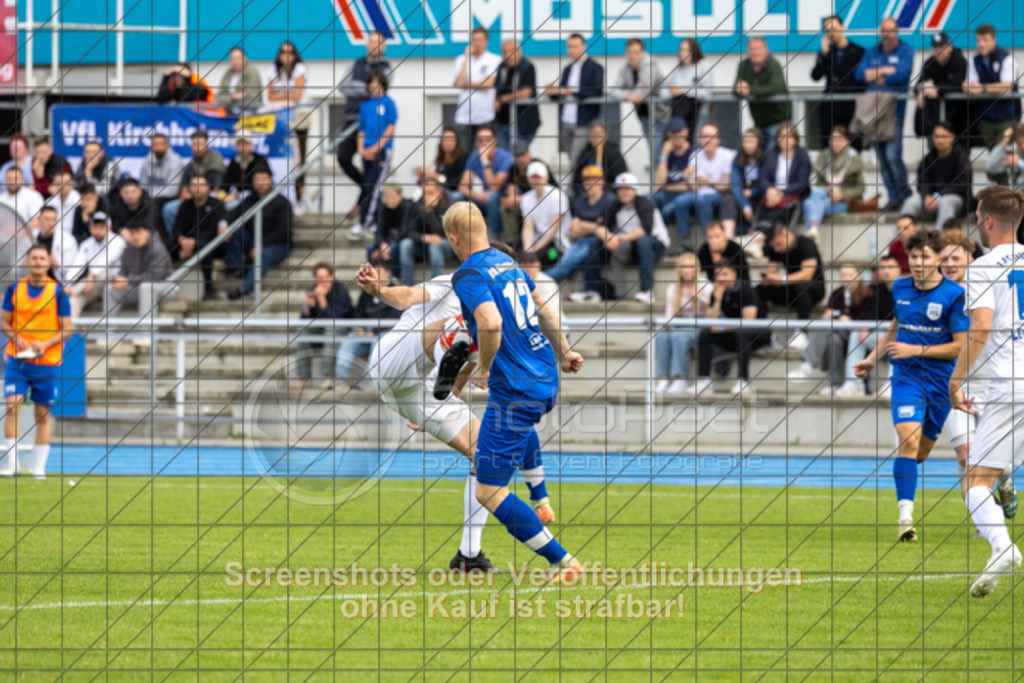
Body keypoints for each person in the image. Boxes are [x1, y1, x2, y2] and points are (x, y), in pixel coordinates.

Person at [442, 201, 585, 583]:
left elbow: (490, 324)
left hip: (516, 389)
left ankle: (563, 562)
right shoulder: (508, 263)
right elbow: (542, 307)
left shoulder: (467, 273)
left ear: (454, 238)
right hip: (544, 375)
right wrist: (564, 351)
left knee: (488, 490)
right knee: (510, 441)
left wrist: (485, 367)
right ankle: (540, 498)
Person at [354, 264, 509, 571]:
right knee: (469, 327)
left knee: (489, 455)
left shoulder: (495, 310)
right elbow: (409, 296)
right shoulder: (456, 282)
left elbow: (464, 369)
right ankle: (441, 362)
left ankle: (468, 556)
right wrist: (379, 290)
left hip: (422, 389)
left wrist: (444, 398)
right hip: (393, 359)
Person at [855, 230, 968, 543]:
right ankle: (905, 518)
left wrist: (914, 349)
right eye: (914, 257)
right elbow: (897, 325)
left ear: (937, 259)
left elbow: (960, 346)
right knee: (907, 440)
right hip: (906, 377)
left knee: (919, 452)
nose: (918, 263)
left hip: (940, 382)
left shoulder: (954, 294)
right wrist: (872, 358)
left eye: (925, 257)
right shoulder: (900, 287)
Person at [949, 186, 1024, 597]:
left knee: (975, 482)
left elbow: (980, 326)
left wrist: (956, 378)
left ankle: (1002, 548)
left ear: (988, 221)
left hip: (1011, 383)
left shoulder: (982, 267)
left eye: (978, 216)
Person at [0, 244, 72, 478]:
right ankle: (13, 464)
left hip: (46, 361)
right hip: (18, 360)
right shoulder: (15, 289)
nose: (38, 262)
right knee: (12, 407)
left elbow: (67, 329)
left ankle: (39, 468)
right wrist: (15, 337)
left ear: (48, 263)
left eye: (42, 258)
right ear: (27, 262)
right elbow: (4, 322)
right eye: (34, 258)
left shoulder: (58, 293)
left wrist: (46, 343)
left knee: (42, 413)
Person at [856, 17, 914, 211]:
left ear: (897, 31)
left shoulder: (906, 51)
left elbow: (901, 75)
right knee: (882, 159)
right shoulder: (872, 51)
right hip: (873, 114)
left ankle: (905, 196)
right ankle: (893, 197)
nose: (886, 35)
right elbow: (859, 75)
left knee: (892, 156)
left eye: (890, 31)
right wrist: (884, 70)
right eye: (883, 31)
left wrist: (875, 75)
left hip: (894, 113)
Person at [789, 263, 876, 393]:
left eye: (850, 275)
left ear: (859, 276)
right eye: (843, 275)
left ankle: (807, 365)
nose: (847, 278)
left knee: (829, 326)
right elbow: (829, 313)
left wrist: (845, 318)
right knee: (833, 339)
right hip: (839, 333)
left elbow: (866, 318)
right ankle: (835, 384)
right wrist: (840, 315)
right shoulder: (837, 293)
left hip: (858, 336)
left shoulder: (868, 294)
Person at [336, 31, 392, 210]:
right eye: (371, 42)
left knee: (370, 165)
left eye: (378, 43)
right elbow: (342, 87)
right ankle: (365, 191)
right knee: (342, 157)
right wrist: (367, 88)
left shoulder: (386, 67)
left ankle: (366, 205)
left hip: (371, 123)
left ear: (383, 47)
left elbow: (380, 90)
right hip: (351, 119)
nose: (374, 45)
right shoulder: (356, 63)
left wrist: (358, 87)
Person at [694, 264, 769, 397]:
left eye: (724, 274)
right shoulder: (717, 292)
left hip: (757, 333)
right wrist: (718, 300)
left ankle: (742, 381)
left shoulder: (745, 289)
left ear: (734, 274)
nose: (721, 278)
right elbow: (710, 321)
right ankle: (704, 380)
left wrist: (722, 327)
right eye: (718, 275)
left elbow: (749, 321)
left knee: (741, 334)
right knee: (705, 334)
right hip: (733, 333)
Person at [545, 165, 616, 302]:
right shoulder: (580, 202)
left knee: (570, 261)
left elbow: (608, 231)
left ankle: (538, 280)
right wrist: (595, 228)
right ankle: (540, 280)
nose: (591, 184)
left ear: (602, 182)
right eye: (587, 181)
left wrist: (584, 225)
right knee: (561, 259)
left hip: (603, 245)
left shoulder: (610, 200)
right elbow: (574, 231)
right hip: (580, 242)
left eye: (595, 180)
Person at [224, 168, 292, 299]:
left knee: (265, 255)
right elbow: (232, 214)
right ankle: (239, 267)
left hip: (278, 245)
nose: (260, 183)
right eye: (257, 180)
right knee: (232, 231)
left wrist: (262, 245)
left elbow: (283, 231)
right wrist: (223, 223)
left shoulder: (282, 202)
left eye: (264, 180)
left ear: (271, 181)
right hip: (254, 241)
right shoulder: (250, 200)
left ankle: (244, 288)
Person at [756, 224, 825, 348]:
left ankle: (801, 332)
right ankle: (765, 335)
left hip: (814, 289)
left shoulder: (806, 244)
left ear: (787, 235)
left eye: (779, 244)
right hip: (792, 289)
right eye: (774, 246)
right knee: (759, 290)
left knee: (802, 286)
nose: (776, 249)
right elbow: (771, 271)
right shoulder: (775, 249)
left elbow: (807, 275)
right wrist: (769, 280)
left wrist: (782, 279)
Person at [747, 122, 811, 254]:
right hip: (771, 195)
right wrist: (769, 190)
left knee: (777, 215)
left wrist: (780, 193)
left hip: (792, 196)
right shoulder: (771, 154)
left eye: (789, 136)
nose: (785, 140)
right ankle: (758, 241)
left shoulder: (802, 156)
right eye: (782, 136)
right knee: (763, 209)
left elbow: (802, 182)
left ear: (795, 140)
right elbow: (763, 178)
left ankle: (757, 239)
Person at [667, 122, 738, 239]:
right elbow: (694, 186)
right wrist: (687, 177)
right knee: (679, 201)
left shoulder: (727, 156)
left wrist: (708, 182)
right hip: (698, 193)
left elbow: (726, 187)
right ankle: (684, 240)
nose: (707, 140)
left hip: (718, 194)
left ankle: (708, 239)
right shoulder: (695, 155)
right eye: (704, 136)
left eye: (711, 137)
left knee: (701, 200)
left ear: (718, 140)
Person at [335, 259, 400, 386]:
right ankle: (340, 377)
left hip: (386, 331)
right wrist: (360, 328)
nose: (375, 276)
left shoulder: (395, 290)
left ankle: (369, 378)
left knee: (379, 341)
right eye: (373, 273)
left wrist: (374, 331)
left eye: (379, 273)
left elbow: (395, 317)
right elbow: (359, 312)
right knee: (349, 339)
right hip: (367, 331)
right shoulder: (367, 291)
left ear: (388, 273)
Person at [349, 69, 397, 241]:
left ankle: (364, 223)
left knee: (374, 189)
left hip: (382, 152)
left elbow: (390, 128)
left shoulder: (388, 103)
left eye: (375, 82)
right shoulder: (365, 106)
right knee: (367, 186)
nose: (372, 86)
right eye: (370, 83)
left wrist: (376, 148)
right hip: (366, 153)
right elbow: (361, 130)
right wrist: (362, 149)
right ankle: (375, 222)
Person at [609, 172, 671, 303]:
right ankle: (616, 294)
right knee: (604, 245)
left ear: (635, 190)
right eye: (620, 189)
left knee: (643, 241)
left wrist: (618, 238)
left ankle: (647, 290)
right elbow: (605, 226)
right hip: (632, 246)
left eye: (627, 188)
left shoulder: (644, 203)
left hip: (656, 244)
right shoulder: (615, 206)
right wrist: (608, 238)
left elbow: (645, 230)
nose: (624, 192)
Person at [844, 254, 900, 396]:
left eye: (890, 267)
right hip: (881, 335)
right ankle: (855, 382)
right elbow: (872, 315)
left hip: (900, 335)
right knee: (856, 334)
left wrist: (887, 337)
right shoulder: (877, 291)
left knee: (899, 337)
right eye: (883, 268)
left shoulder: (908, 290)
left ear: (899, 270)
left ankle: (892, 384)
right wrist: (865, 328)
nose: (886, 271)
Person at [655, 252, 711, 395]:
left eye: (690, 267)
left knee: (678, 336)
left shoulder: (705, 284)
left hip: (700, 323)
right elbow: (669, 314)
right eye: (683, 267)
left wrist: (697, 296)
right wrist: (668, 325)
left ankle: (681, 378)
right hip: (680, 322)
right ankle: (664, 378)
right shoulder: (673, 288)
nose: (686, 271)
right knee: (661, 336)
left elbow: (710, 307)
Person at [613, 37, 669, 173]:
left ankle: (658, 184)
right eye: (629, 52)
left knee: (658, 154)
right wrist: (628, 96)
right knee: (654, 152)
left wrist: (630, 94)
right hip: (644, 115)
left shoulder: (650, 64)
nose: (632, 56)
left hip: (662, 116)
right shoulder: (625, 67)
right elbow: (614, 91)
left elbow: (642, 92)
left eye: (636, 52)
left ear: (642, 52)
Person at [293, 263, 353, 391]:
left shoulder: (341, 291)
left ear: (332, 277)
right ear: (315, 279)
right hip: (321, 331)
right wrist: (306, 307)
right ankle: (304, 378)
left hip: (342, 330)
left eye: (326, 278)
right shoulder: (311, 291)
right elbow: (305, 322)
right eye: (320, 278)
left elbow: (335, 321)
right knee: (302, 331)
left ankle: (329, 376)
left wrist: (321, 300)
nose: (323, 282)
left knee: (331, 329)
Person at [900, 121, 972, 229]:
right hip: (930, 199)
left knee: (946, 202)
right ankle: (900, 238)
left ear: (952, 137)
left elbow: (962, 184)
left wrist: (938, 196)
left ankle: (939, 238)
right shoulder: (928, 159)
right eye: (936, 136)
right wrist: (926, 195)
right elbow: (922, 182)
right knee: (910, 202)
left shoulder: (961, 158)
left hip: (956, 200)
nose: (939, 140)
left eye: (943, 136)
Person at [546, 33, 604, 164]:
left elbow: (596, 92)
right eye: (569, 47)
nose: (572, 50)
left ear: (584, 46)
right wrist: (553, 92)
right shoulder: (568, 69)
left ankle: (574, 179)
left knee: (575, 159)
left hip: (584, 122)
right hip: (566, 120)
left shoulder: (595, 67)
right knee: (571, 159)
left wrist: (574, 92)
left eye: (575, 46)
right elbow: (563, 93)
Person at [810, 15, 866, 147]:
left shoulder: (859, 52)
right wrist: (824, 54)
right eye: (828, 31)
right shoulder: (826, 53)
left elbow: (864, 82)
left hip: (852, 108)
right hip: (830, 109)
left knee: (853, 146)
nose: (832, 33)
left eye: (834, 29)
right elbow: (815, 76)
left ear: (842, 27)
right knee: (828, 147)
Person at [265, 41, 311, 200]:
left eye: (290, 52)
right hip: (279, 118)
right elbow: (269, 96)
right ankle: (283, 191)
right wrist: (288, 95)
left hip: (298, 117)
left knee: (299, 155)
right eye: (283, 52)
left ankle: (300, 191)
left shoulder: (300, 69)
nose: (286, 56)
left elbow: (297, 96)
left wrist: (280, 95)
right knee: (281, 155)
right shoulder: (273, 69)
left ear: (295, 54)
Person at [964, 24, 1021, 150]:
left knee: (1005, 156)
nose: (981, 44)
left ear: (994, 40)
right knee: (993, 157)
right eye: (978, 40)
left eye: (985, 40)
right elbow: (970, 84)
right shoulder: (975, 61)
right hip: (986, 120)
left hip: (1007, 119)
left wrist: (983, 88)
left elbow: (1007, 87)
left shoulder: (1007, 59)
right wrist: (968, 86)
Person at [105, 220, 176, 322]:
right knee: (110, 289)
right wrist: (117, 280)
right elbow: (123, 274)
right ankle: (109, 330)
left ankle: (146, 331)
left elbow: (155, 275)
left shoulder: (157, 248)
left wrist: (128, 281)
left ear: (147, 232)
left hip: (166, 287)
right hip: (139, 286)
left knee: (145, 286)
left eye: (138, 232)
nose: (136, 236)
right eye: (132, 233)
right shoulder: (128, 250)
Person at [804, 125, 865, 239]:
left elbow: (861, 188)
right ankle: (813, 232)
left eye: (840, 140)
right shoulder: (823, 157)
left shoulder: (855, 159)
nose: (836, 143)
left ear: (847, 141)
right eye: (833, 140)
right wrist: (830, 191)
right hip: (825, 197)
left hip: (844, 202)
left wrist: (841, 195)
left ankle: (811, 235)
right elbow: (819, 184)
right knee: (815, 194)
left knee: (808, 204)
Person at [162, 130, 225, 232]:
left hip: (213, 198)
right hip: (193, 199)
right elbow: (184, 189)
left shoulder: (215, 161)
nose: (198, 148)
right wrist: (186, 194)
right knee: (169, 209)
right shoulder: (191, 165)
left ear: (207, 145)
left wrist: (198, 193)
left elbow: (217, 189)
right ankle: (178, 238)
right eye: (195, 145)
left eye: (201, 144)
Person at [66, 211, 127, 318]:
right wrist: (68, 283)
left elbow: (106, 261)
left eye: (101, 228)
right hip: (93, 286)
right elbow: (78, 264)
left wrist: (91, 277)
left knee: (104, 274)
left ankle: (65, 293)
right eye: (95, 227)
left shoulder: (117, 241)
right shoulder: (87, 244)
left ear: (109, 228)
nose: (97, 231)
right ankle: (69, 327)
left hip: (112, 283)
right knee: (74, 300)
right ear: (90, 228)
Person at [173, 174, 224, 300]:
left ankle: (209, 288)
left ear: (208, 188)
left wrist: (194, 242)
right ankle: (167, 286)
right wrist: (182, 240)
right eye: (194, 185)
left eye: (200, 185)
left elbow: (212, 230)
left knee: (204, 247)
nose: (197, 189)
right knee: (166, 245)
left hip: (210, 244)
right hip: (187, 243)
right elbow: (177, 228)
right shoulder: (185, 205)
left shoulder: (216, 204)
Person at [734, 37, 791, 150]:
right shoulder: (743, 65)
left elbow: (776, 88)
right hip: (758, 122)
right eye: (751, 49)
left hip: (778, 121)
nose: (755, 52)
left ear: (766, 50)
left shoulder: (774, 65)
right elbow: (735, 89)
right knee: (755, 153)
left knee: (771, 154)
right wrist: (739, 90)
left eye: (758, 49)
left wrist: (749, 90)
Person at [457, 125, 512, 240]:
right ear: (476, 143)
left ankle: (496, 237)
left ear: (495, 141)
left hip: (503, 196)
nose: (484, 144)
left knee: (492, 197)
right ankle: (460, 236)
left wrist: (485, 161)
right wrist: (478, 195)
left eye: (488, 140)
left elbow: (495, 188)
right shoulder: (474, 157)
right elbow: (462, 187)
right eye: (480, 140)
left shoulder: (505, 158)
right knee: (456, 197)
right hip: (484, 197)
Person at [452, 26, 502, 150]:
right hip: (463, 117)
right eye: (474, 40)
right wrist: (467, 58)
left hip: (485, 117)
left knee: (482, 153)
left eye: (480, 40)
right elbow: (459, 82)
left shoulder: (494, 59)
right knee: (463, 155)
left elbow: (487, 84)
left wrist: (466, 84)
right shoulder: (461, 59)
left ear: (486, 42)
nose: (477, 43)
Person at [914, 32, 969, 143]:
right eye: (935, 47)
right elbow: (918, 83)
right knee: (936, 145)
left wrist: (936, 89)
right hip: (938, 117)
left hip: (960, 116)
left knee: (959, 147)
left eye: (941, 47)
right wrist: (923, 89)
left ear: (949, 47)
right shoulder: (931, 62)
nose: (938, 51)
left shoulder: (959, 61)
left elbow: (956, 84)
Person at [398, 178, 454, 284]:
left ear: (439, 193)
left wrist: (429, 212)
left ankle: (436, 286)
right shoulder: (417, 205)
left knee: (435, 246)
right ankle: (408, 287)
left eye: (430, 193)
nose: (427, 197)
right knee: (405, 244)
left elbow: (442, 233)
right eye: (425, 193)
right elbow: (409, 231)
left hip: (446, 245)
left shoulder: (449, 206)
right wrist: (424, 237)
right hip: (424, 245)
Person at [519, 162, 570, 268]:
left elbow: (553, 230)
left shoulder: (557, 196)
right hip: (539, 238)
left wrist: (534, 251)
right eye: (533, 177)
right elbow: (528, 227)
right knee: (521, 256)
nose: (536, 180)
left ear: (546, 177)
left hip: (557, 244)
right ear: (528, 178)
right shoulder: (526, 198)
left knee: (545, 257)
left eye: (539, 177)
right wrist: (528, 250)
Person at [651, 118, 694, 242]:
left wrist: (666, 187)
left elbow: (689, 186)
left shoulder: (693, 153)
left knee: (667, 210)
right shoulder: (667, 153)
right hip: (667, 194)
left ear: (686, 131)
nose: (676, 136)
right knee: (648, 199)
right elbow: (659, 183)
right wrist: (664, 154)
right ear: (668, 134)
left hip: (686, 195)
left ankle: (683, 242)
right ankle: (649, 236)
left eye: (679, 132)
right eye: (673, 132)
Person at [661, 38, 711, 143]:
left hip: (698, 113)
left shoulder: (703, 65)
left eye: (687, 50)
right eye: (681, 50)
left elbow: (706, 93)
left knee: (697, 143)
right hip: (678, 112)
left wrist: (683, 91)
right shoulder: (677, 67)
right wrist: (672, 91)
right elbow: (663, 92)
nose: (683, 53)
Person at [495, 40, 540, 153]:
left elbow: (525, 93)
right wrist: (496, 100)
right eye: (504, 52)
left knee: (518, 155)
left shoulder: (527, 67)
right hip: (503, 123)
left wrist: (502, 99)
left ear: (519, 52)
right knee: (505, 158)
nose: (508, 55)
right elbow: (497, 89)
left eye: (511, 51)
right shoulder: (502, 67)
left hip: (523, 124)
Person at [139, 133, 184, 239]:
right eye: (156, 144)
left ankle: (159, 238)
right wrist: (145, 196)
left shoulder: (175, 161)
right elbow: (143, 184)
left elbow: (173, 189)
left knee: (154, 205)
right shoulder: (147, 161)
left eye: (161, 144)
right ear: (151, 147)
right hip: (151, 196)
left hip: (169, 197)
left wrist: (151, 196)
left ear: (167, 145)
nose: (158, 148)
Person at [570, 121, 628, 198]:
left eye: (599, 134)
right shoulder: (584, 154)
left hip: (609, 195)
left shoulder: (614, 153)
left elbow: (620, 178)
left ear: (606, 135)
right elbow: (576, 181)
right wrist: (583, 194)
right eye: (593, 134)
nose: (596, 137)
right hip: (588, 196)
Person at [366, 185, 412, 275]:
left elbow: (404, 231)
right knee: (370, 248)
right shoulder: (382, 208)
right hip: (387, 241)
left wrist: (386, 246)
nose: (389, 200)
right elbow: (379, 230)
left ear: (400, 196)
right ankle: (373, 276)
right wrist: (382, 244)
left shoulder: (408, 207)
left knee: (394, 247)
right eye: (387, 198)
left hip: (402, 239)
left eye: (392, 197)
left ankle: (395, 276)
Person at [730, 128, 765, 238]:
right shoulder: (738, 159)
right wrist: (745, 204)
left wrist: (753, 192)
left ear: (758, 143)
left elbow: (767, 182)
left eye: (751, 142)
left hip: (760, 193)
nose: (747, 145)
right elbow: (735, 183)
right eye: (745, 142)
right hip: (744, 195)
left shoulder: (766, 158)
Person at [222, 134, 271, 212]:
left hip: (256, 196)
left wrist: (236, 196)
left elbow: (261, 185)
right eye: (239, 145)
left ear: (251, 145)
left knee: (234, 203)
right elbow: (225, 184)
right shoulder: (234, 162)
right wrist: (222, 195)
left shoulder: (259, 160)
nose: (242, 148)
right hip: (240, 198)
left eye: (245, 144)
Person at [417, 128, 467, 199]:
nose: (448, 143)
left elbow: (456, 184)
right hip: (440, 190)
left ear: (456, 142)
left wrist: (437, 177)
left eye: (451, 140)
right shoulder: (440, 158)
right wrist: (425, 175)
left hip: (453, 192)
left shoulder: (462, 158)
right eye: (445, 140)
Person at [33, 205, 77, 283]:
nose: (51, 223)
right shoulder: (31, 236)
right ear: (39, 220)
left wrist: (56, 264)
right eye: (47, 219)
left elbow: (72, 270)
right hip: (32, 281)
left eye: (54, 220)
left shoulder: (67, 240)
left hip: (57, 283)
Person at [217, 46, 263, 113]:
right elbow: (218, 97)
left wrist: (227, 99)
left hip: (248, 111)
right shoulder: (228, 73)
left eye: (238, 58)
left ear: (245, 59)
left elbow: (253, 98)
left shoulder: (252, 72)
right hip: (228, 111)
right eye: (233, 59)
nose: (236, 62)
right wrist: (233, 97)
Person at [985, 123, 1024, 189]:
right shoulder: (1014, 150)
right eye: (1019, 143)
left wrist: (1019, 163)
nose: (1023, 146)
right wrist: (1004, 143)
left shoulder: (1017, 159)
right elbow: (990, 167)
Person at [45, 170, 80, 237]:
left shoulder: (79, 200)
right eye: (58, 183)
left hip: (74, 237)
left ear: (72, 184)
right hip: (54, 237)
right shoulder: (49, 202)